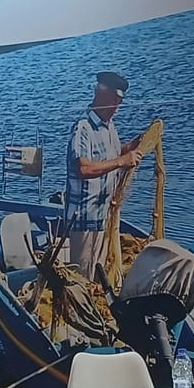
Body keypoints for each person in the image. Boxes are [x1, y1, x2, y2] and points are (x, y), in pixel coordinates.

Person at [64, 72, 144, 281]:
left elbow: (112, 155)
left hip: (103, 217)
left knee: (100, 276)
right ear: (101, 95)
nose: (117, 107)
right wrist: (121, 161)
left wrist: (132, 147)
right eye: (114, 101)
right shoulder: (83, 128)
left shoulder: (109, 127)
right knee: (82, 278)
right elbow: (84, 169)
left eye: (120, 102)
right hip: (84, 219)